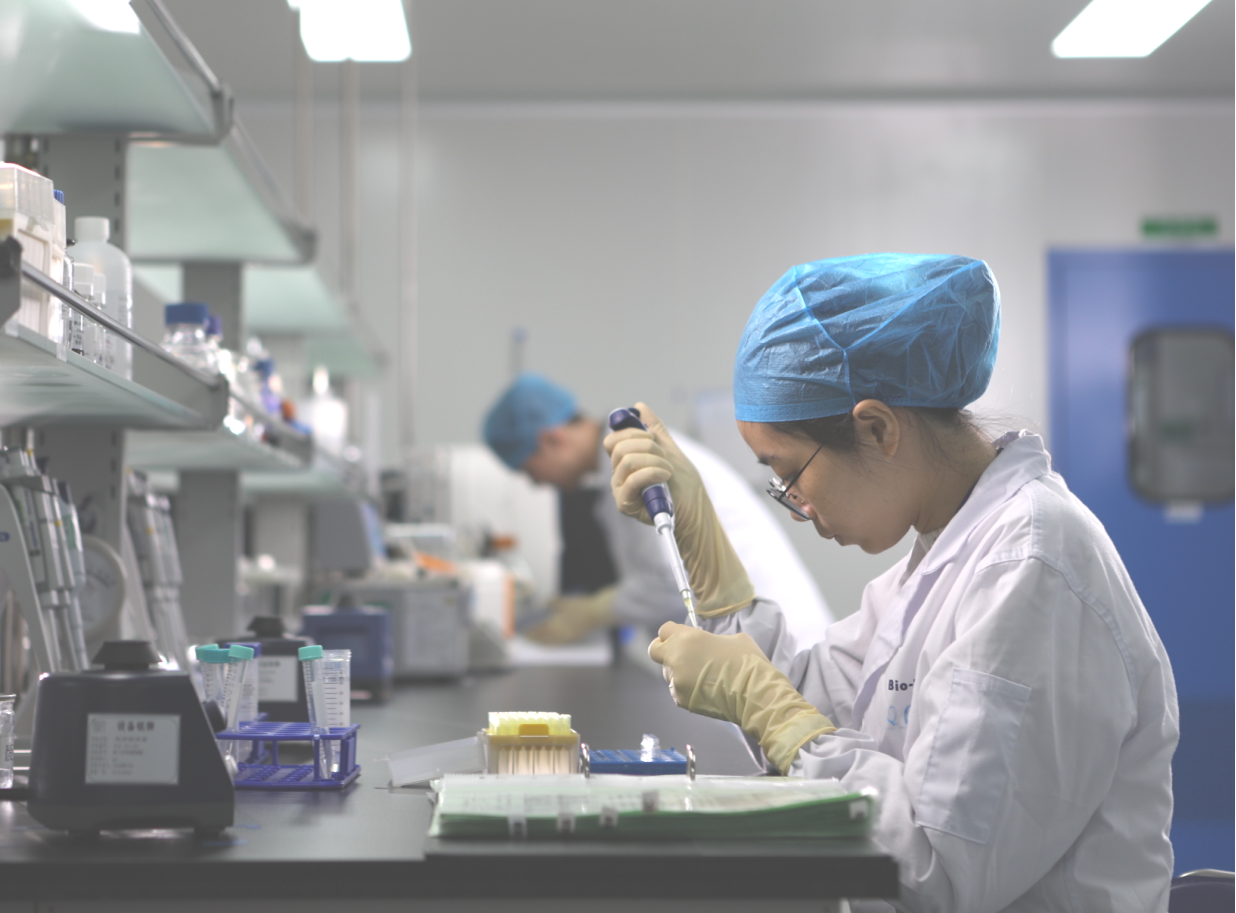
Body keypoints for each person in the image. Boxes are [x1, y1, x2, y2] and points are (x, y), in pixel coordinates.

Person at [605, 254, 1178, 912]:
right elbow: (813, 702)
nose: (795, 504)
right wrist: (702, 544)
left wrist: (766, 706)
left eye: (788, 473)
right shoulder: (939, 561)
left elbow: (940, 870)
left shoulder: (1031, 567)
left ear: (877, 428)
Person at [482, 374, 833, 646]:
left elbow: (670, 582)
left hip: (775, 648)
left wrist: (597, 610)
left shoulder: (638, 459)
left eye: (528, 470)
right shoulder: (622, 461)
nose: (536, 483)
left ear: (552, 440)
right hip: (753, 643)